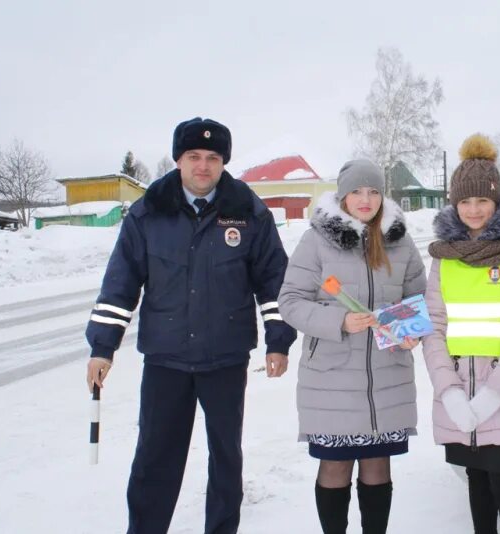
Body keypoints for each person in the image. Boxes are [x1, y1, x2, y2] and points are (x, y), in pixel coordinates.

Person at [84, 117, 296, 534]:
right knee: (154, 458)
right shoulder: (148, 214)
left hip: (225, 359)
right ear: (179, 159)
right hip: (167, 361)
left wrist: (278, 341)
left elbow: (274, 284)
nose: (203, 166)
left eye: (213, 157)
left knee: (226, 458)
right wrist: (101, 347)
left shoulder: (249, 212)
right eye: (194, 156)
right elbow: (120, 283)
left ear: (224, 162)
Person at [278, 159, 426, 534]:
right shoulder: (316, 240)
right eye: (357, 191)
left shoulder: (400, 241)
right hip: (332, 380)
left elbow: (418, 296)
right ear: (343, 195)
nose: (365, 199)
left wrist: (412, 330)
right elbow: (291, 301)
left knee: (378, 465)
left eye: (374, 191)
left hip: (385, 379)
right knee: (335, 466)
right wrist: (338, 321)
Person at [422, 134, 500, 533]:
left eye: (482, 201)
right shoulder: (443, 260)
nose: (473, 210)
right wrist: (450, 391)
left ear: (496, 202)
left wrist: (496, 391)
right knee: (476, 483)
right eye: (465, 201)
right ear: (454, 204)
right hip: (459, 392)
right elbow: (433, 329)